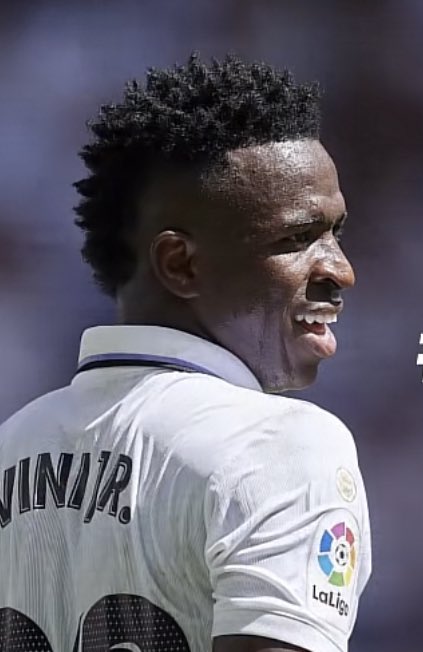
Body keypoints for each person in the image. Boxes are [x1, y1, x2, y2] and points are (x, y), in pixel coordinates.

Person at [0, 54, 371, 652]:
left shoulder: (11, 443)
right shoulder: (279, 445)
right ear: (181, 264)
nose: (340, 270)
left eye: (336, 233)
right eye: (297, 238)